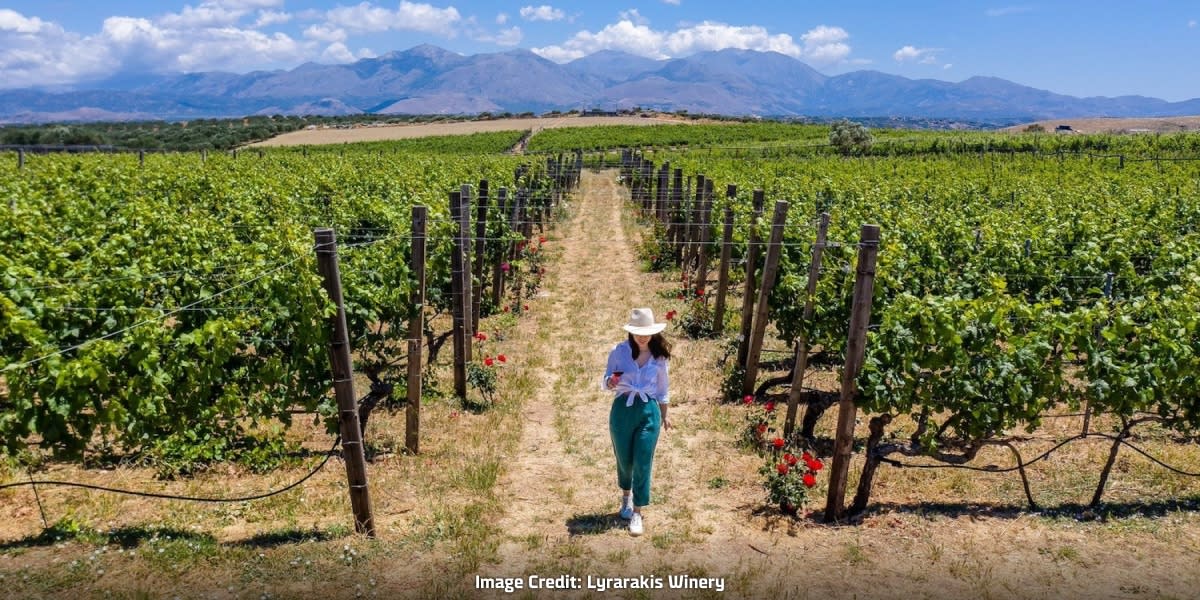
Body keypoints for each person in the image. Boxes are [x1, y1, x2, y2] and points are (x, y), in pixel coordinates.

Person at [601, 307, 672, 536]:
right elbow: (606, 380)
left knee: (643, 460)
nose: (642, 337)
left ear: (653, 333)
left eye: (646, 333)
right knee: (624, 459)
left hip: (648, 411)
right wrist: (610, 382)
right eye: (638, 333)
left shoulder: (659, 357)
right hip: (623, 408)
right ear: (631, 333)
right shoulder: (619, 352)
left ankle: (638, 512)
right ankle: (626, 497)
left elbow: (662, 389)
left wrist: (665, 415)